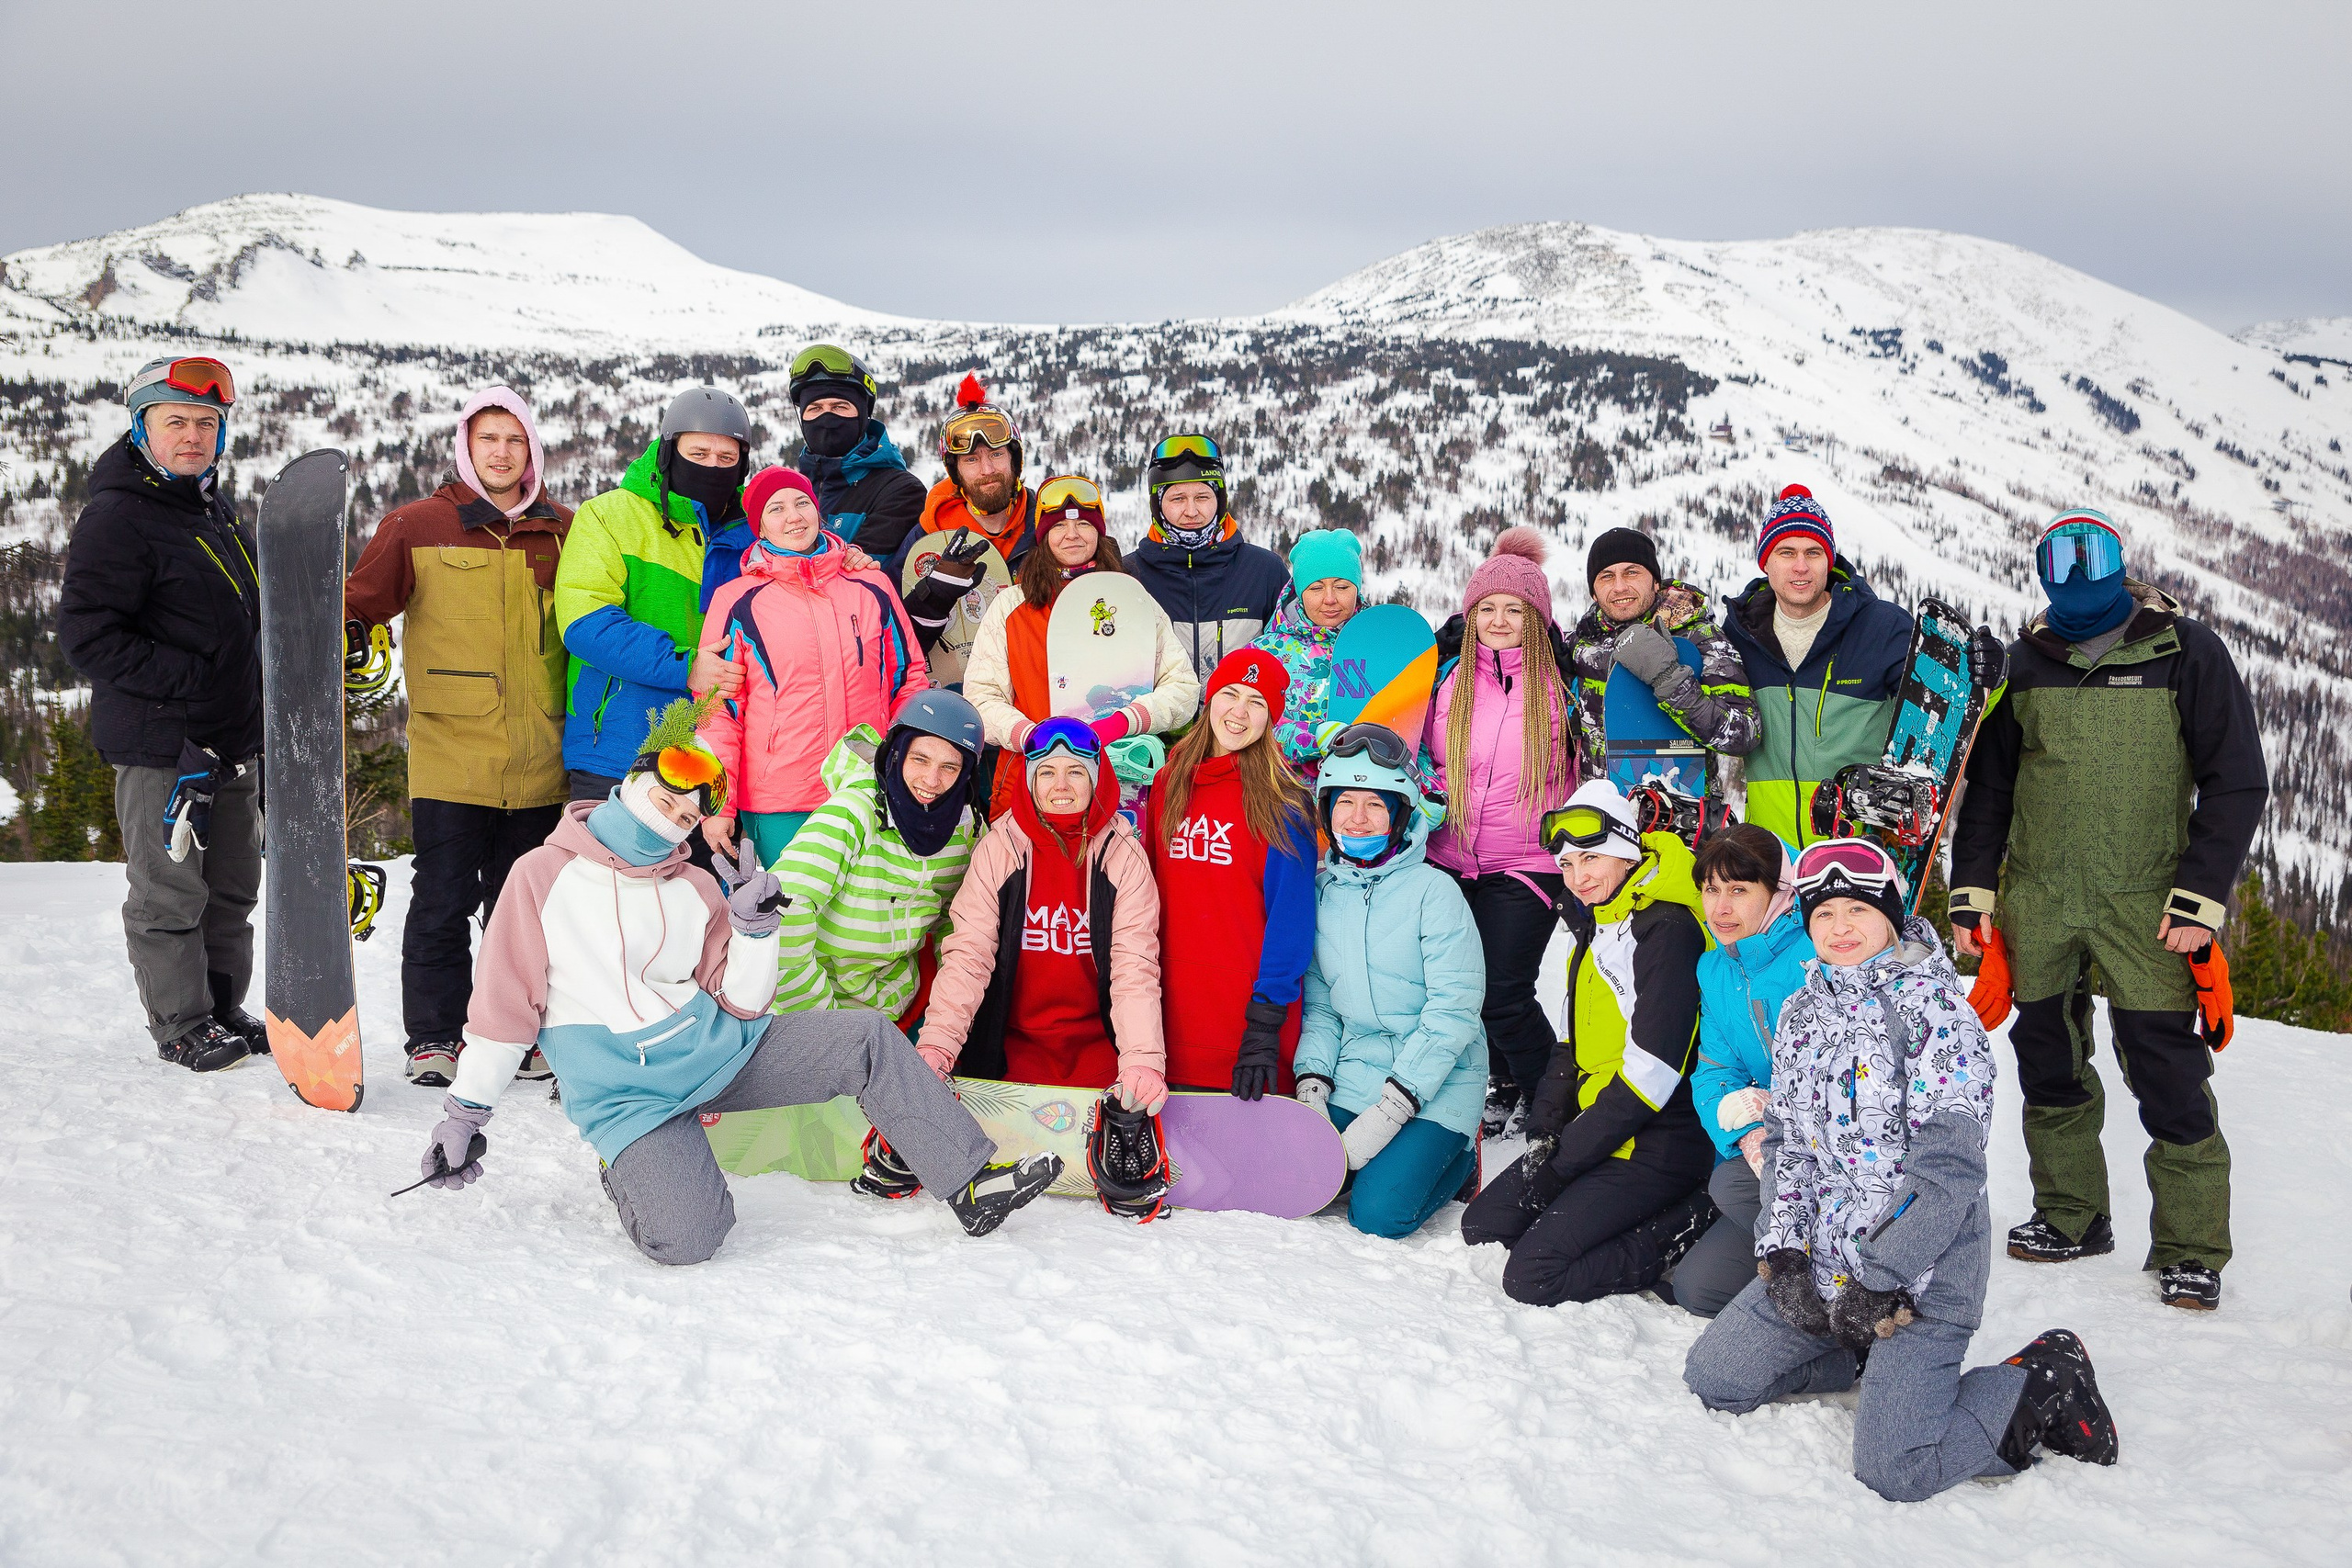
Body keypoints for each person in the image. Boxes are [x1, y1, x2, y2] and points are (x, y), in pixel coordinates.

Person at [414, 698, 1060, 1262]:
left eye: (686, 818)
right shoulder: (541, 875)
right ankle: (636, 1167)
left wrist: (754, 930)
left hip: (724, 1054)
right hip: (630, 1095)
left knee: (865, 1037)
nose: (670, 821)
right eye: (663, 801)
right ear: (629, 786)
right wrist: (465, 1113)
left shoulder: (695, 885)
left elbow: (743, 1002)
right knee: (691, 1238)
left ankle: (969, 1180)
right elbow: (504, 1009)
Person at [1684, 837, 2119, 1503]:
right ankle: (1853, 1351)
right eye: (1824, 915)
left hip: (1921, 1276)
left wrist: (1878, 1279)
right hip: (1828, 1260)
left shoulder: (1935, 1014)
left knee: (1897, 1467)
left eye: (1858, 910)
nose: (1840, 928)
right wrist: (1785, 1252)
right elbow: (1788, 1144)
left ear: (1890, 915)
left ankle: (2041, 1381)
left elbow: (1946, 1173)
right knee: (1715, 1376)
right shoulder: (1804, 1013)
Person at [1951, 509, 2267, 1312]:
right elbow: (1989, 788)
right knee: (2048, 1060)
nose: (2078, 584)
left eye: (2092, 568)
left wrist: (2201, 898)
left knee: (2166, 1065)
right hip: (2042, 896)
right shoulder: (2027, 662)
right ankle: (2071, 1214)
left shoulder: (2185, 650)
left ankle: (2192, 1249)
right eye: (2063, 570)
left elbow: (2236, 779)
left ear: (2120, 569)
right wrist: (1974, 893)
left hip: (2151, 898)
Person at [345, 386, 574, 1087]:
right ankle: (435, 1037)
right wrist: (341, 641)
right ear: (466, 448)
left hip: (542, 754)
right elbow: (361, 605)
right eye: (488, 439)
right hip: (450, 752)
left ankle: (521, 1031)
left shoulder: (566, 530)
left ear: (531, 448)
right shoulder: (416, 525)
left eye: (514, 439)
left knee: (527, 906)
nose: (502, 452)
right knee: (444, 895)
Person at [56, 356, 263, 1073]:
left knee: (232, 888)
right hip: (162, 749)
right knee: (170, 891)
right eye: (175, 421)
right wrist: (192, 680)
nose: (193, 435)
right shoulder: (119, 516)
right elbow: (87, 635)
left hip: (231, 741)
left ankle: (221, 1004)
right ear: (142, 427)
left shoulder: (212, 508)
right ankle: (182, 1022)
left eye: (207, 422)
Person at [1461, 780, 1716, 1303]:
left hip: (1660, 1138)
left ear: (1626, 852)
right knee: (1484, 1226)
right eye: (1568, 865)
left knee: (1534, 1274)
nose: (1578, 877)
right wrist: (1544, 1133)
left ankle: (1689, 1221)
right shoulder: (1598, 925)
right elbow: (1567, 1045)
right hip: (1603, 1128)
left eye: (1591, 859)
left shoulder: (1666, 930)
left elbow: (1653, 1076)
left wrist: (1569, 1156)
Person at [909, 718, 1172, 1219]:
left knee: (1129, 1097)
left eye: (1076, 772)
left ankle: (1124, 1130)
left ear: (1097, 778)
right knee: (953, 1090)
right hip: (1014, 1048)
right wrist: (938, 1045)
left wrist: (1141, 1061)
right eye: (1046, 771)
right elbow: (968, 955)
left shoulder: (1122, 856)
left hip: (1096, 1047)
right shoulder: (1001, 849)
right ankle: (917, 1128)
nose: (1061, 786)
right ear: (1029, 779)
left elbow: (1134, 966)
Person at [1293, 725, 1486, 1238]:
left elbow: (1453, 1013)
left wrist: (1392, 1109)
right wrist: (1312, 1085)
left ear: (1401, 813)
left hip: (1440, 1078)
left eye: (1376, 804)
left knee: (1378, 1214)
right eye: (1345, 803)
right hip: (1358, 1068)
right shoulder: (1320, 892)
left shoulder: (1434, 893)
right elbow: (1320, 1008)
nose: (1358, 819)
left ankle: (1460, 1156)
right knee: (1304, 1183)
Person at [1422, 526, 1577, 1139]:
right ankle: (1505, 1079)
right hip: (1449, 857)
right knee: (1458, 988)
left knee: (1504, 992)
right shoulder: (1448, 682)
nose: (1500, 619)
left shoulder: (1560, 691)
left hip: (1528, 862)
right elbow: (1424, 759)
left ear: (1536, 616)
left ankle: (1550, 1101)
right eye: (1487, 608)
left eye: (1515, 609)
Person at [691, 466, 928, 866]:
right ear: (760, 528)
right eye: (776, 509)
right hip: (780, 801)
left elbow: (909, 683)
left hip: (869, 788)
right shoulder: (737, 601)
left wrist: (909, 770)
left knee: (864, 922)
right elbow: (718, 711)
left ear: (818, 511)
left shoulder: (871, 587)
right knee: (791, 919)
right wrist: (719, 806)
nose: (794, 516)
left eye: (802, 503)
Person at [962, 474, 1200, 819]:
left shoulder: (1132, 602)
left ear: (1099, 533)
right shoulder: (1012, 606)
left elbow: (1184, 690)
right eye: (1058, 527)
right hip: (1030, 784)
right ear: (1043, 537)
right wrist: (1031, 735)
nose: (1072, 535)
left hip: (1121, 782)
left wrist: (1123, 722)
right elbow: (981, 696)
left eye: (1084, 525)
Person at [554, 386, 751, 801]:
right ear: (668, 452)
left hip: (717, 756)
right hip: (618, 749)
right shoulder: (609, 515)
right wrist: (685, 665)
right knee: (609, 868)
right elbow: (584, 622)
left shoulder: (753, 535)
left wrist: (848, 559)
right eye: (698, 455)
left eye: (726, 459)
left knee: (699, 871)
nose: (712, 468)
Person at [1148, 649, 1319, 1097]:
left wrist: (1265, 1019)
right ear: (1210, 699)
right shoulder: (1168, 784)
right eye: (1230, 694)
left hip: (1244, 1025)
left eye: (1256, 702)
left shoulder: (1285, 802)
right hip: (1167, 1015)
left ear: (1270, 718)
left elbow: (1291, 920)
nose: (1239, 712)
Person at [1720, 485, 1918, 850]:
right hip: (1770, 856)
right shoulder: (1739, 636)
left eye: (1813, 552)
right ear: (1766, 562)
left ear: (1829, 560)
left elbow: (1953, 714)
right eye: (1786, 552)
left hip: (1859, 851)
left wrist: (1990, 677)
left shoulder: (1881, 628)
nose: (1800, 566)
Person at [768, 690, 985, 1021]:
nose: (931, 780)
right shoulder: (853, 813)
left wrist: (950, 1008)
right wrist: (826, 1020)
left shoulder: (965, 832)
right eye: (920, 759)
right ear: (897, 754)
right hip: (818, 1001)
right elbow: (784, 911)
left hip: (897, 1001)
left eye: (949, 767)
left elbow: (958, 924)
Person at [1672, 824, 1813, 1317]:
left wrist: (1776, 1115)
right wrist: (1748, 1133)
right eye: (1711, 890)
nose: (1720, 908)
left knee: (1729, 1187)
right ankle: (1806, 1272)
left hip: (1831, 1155)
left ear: (1780, 892)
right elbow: (1714, 1072)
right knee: (1697, 1291)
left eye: (1738, 890)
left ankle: (1853, 1275)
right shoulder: (1715, 969)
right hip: (1772, 1150)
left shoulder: (1818, 954)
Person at [1567, 526, 1758, 792]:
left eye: (1632, 572)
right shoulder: (1580, 647)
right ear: (1593, 592)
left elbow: (1745, 734)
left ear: (1656, 581)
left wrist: (1670, 680)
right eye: (1606, 576)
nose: (1620, 586)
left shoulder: (1698, 637)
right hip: (1601, 817)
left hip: (1679, 817)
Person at [1125, 434, 1290, 681]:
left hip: (1236, 718)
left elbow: (1292, 653)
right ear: (1158, 506)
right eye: (1177, 498)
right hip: (1159, 719)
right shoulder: (1128, 575)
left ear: (1220, 500)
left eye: (1202, 497)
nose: (1191, 511)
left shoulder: (1264, 571)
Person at [889, 375, 1036, 592]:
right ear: (955, 472)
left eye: (996, 455)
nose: (987, 470)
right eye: (971, 459)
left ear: (1014, 460)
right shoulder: (929, 537)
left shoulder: (1046, 524)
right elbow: (895, 611)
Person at [786, 344, 928, 560]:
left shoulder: (899, 491)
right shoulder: (788, 489)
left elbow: (857, 579)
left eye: (839, 407)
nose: (827, 418)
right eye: (815, 408)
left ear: (863, 415)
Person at [1250, 527, 1363, 781]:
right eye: (1315, 588)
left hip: (1359, 808)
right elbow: (1247, 730)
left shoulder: (1381, 647)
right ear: (1299, 593)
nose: (1330, 599)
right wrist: (1315, 737)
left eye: (1343, 586)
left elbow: (1411, 728)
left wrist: (1427, 790)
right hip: (1283, 803)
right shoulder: (1264, 654)